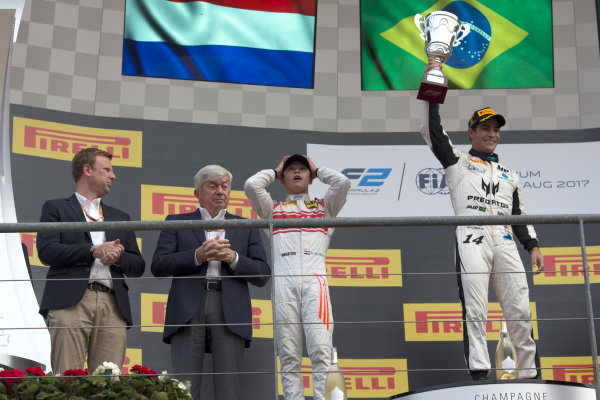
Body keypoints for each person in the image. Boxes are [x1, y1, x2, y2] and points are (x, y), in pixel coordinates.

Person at [419, 59, 545, 380]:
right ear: (471, 132)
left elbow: (518, 215)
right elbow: (432, 129)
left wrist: (532, 246)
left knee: (518, 307)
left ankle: (529, 375)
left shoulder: (509, 174)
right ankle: (479, 376)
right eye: (485, 128)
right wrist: (434, 79)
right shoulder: (456, 161)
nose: (492, 134)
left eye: (495, 129)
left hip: (504, 239)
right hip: (471, 235)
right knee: (475, 308)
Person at [151, 165, 270, 400]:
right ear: (197, 193)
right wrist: (198, 256)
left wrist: (232, 258)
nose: (220, 191)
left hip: (230, 309)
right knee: (183, 388)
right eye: (213, 186)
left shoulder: (245, 225)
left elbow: (262, 274)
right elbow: (158, 266)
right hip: (188, 308)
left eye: (225, 187)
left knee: (228, 388)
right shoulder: (176, 222)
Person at [244, 154, 350, 400]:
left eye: (302, 169)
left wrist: (317, 169)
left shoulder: (326, 207)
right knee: (289, 354)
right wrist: (276, 168)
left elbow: (343, 182)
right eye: (291, 170)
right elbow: (252, 185)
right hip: (284, 284)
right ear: (282, 178)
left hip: (316, 283)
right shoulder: (273, 209)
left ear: (311, 177)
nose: (297, 172)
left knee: (322, 351)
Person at [37, 148, 145, 373]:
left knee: (108, 384)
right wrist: (92, 251)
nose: (112, 176)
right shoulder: (55, 207)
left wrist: (117, 258)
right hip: (69, 302)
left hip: (112, 305)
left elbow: (138, 265)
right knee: (67, 380)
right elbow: (47, 251)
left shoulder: (120, 217)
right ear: (87, 170)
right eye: (107, 169)